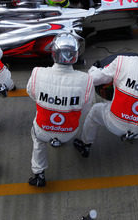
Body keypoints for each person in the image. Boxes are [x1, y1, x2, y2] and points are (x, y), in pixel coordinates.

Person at [73, 28, 138, 158]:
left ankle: (85, 144)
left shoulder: (122, 61)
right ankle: (133, 133)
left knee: (95, 110)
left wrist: (93, 68)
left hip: (114, 124)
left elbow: (93, 80)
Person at [27, 33, 95, 187]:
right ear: (75, 55)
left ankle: (39, 173)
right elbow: (86, 107)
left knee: (37, 139)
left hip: (44, 130)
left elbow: (31, 93)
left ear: (53, 53)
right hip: (69, 133)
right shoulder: (86, 79)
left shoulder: (37, 72)